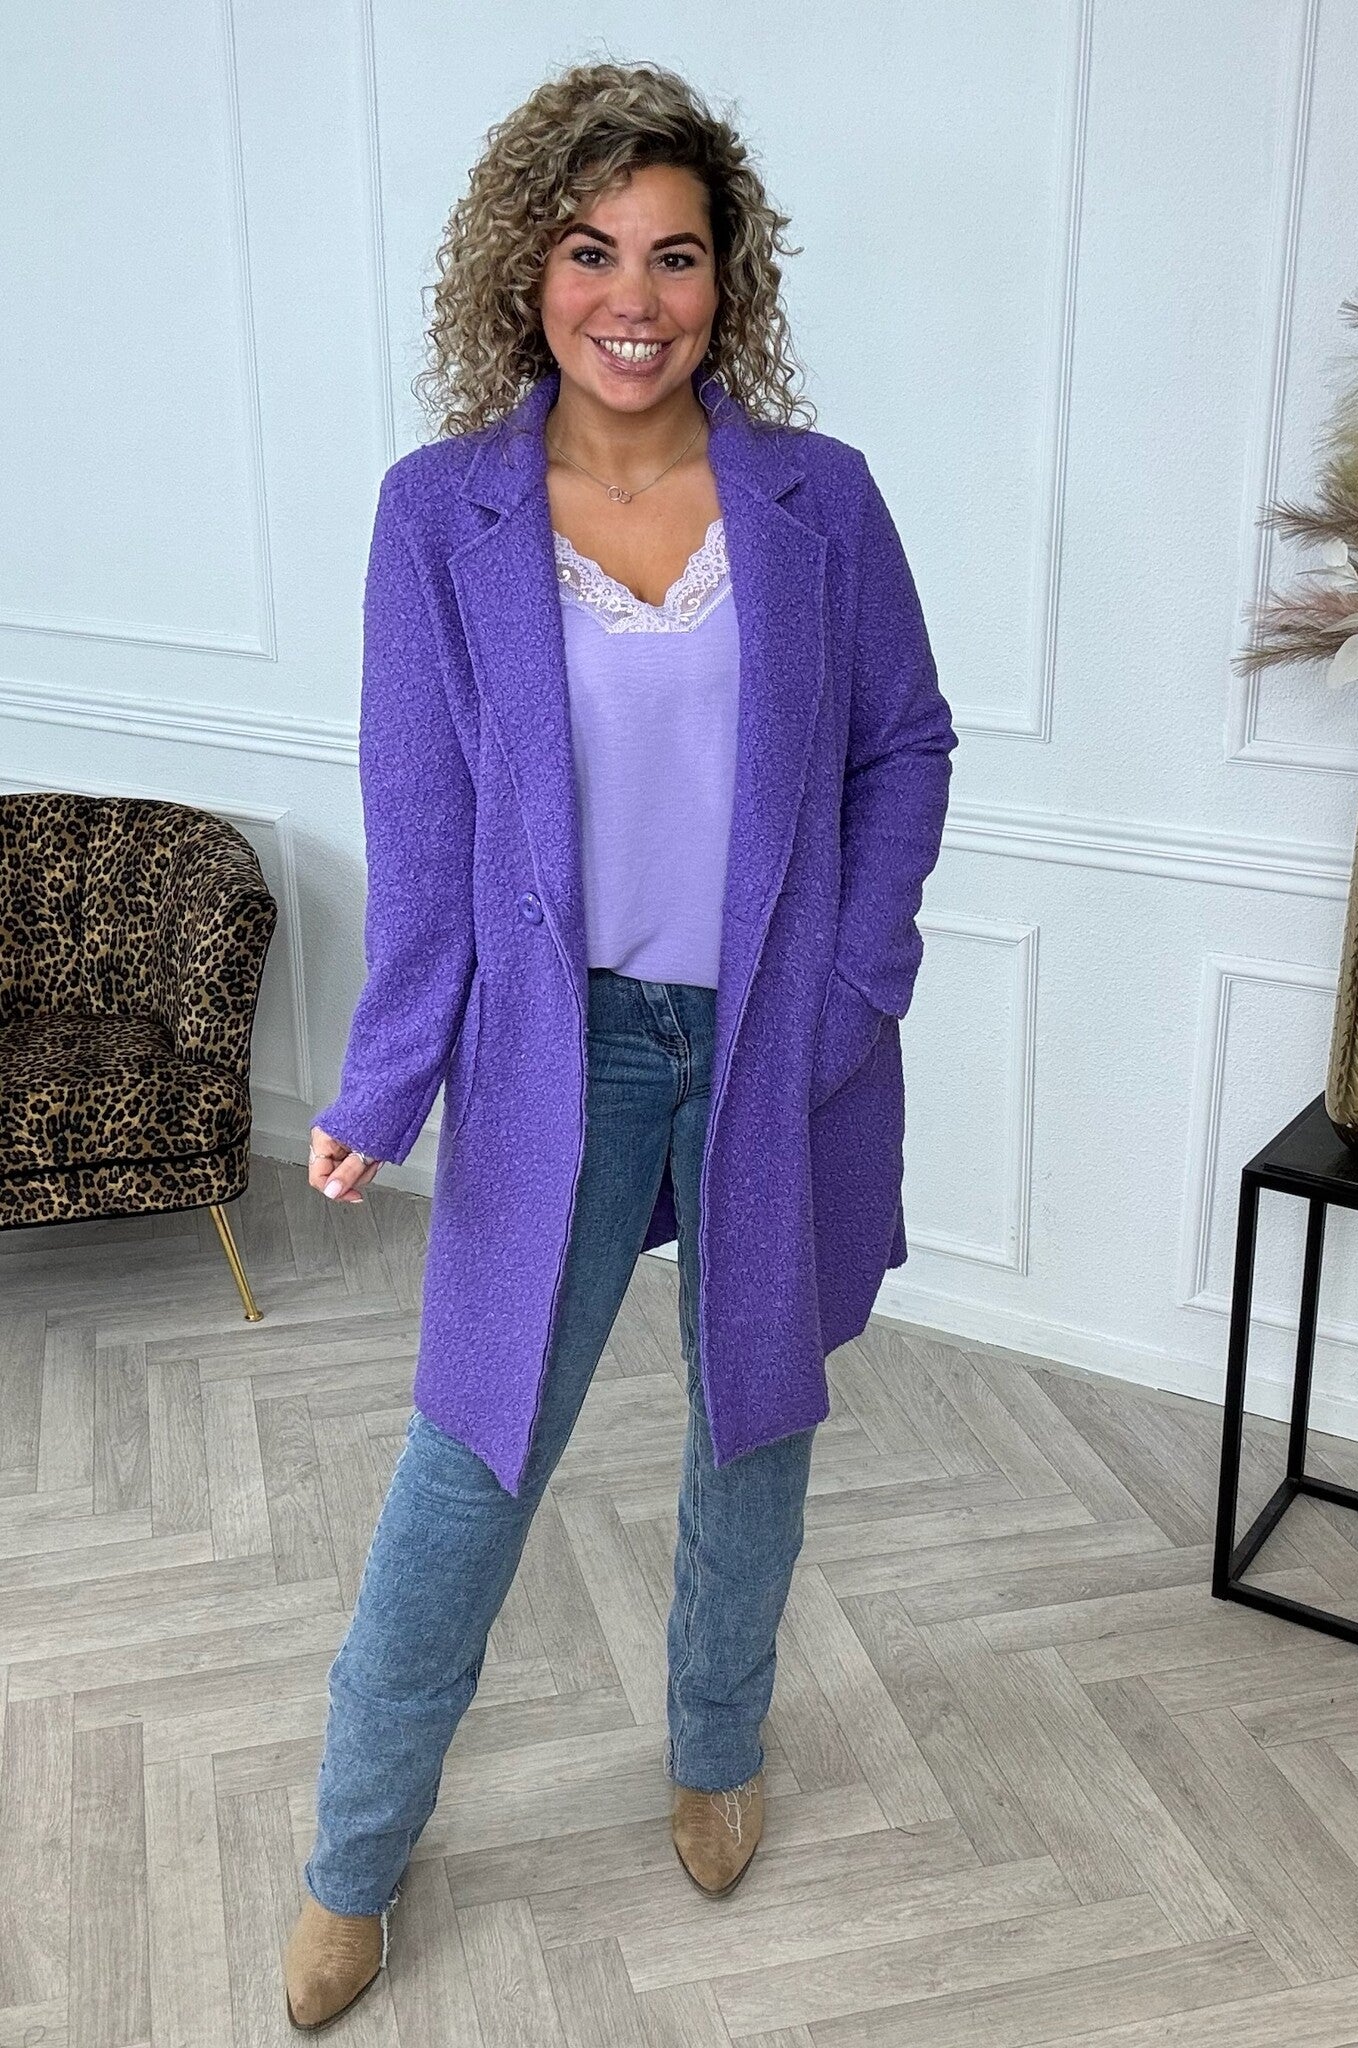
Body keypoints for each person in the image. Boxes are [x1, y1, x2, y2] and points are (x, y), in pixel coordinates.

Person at [284, 58, 957, 2032]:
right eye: (590, 251)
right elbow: (422, 825)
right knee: (469, 1456)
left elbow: (903, 745)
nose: (632, 296)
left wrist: (854, 985)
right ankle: (349, 1857)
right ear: (526, 269)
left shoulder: (820, 502)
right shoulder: (442, 515)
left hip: (775, 1044)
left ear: (727, 277)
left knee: (754, 1428)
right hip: (551, 1052)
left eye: (674, 253)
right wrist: (383, 1078)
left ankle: (713, 1746)